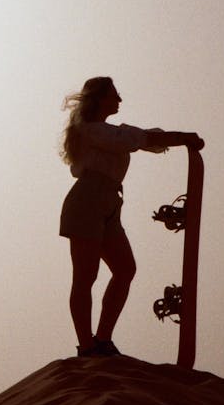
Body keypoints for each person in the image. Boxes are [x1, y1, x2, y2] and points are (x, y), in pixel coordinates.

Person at [59, 76, 204, 357]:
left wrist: (178, 139)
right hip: (87, 202)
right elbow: (140, 138)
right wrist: (181, 137)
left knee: (125, 269)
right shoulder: (91, 131)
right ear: (99, 99)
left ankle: (102, 339)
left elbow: (144, 138)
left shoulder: (106, 131)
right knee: (85, 277)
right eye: (113, 94)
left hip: (109, 204)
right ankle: (87, 346)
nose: (119, 100)